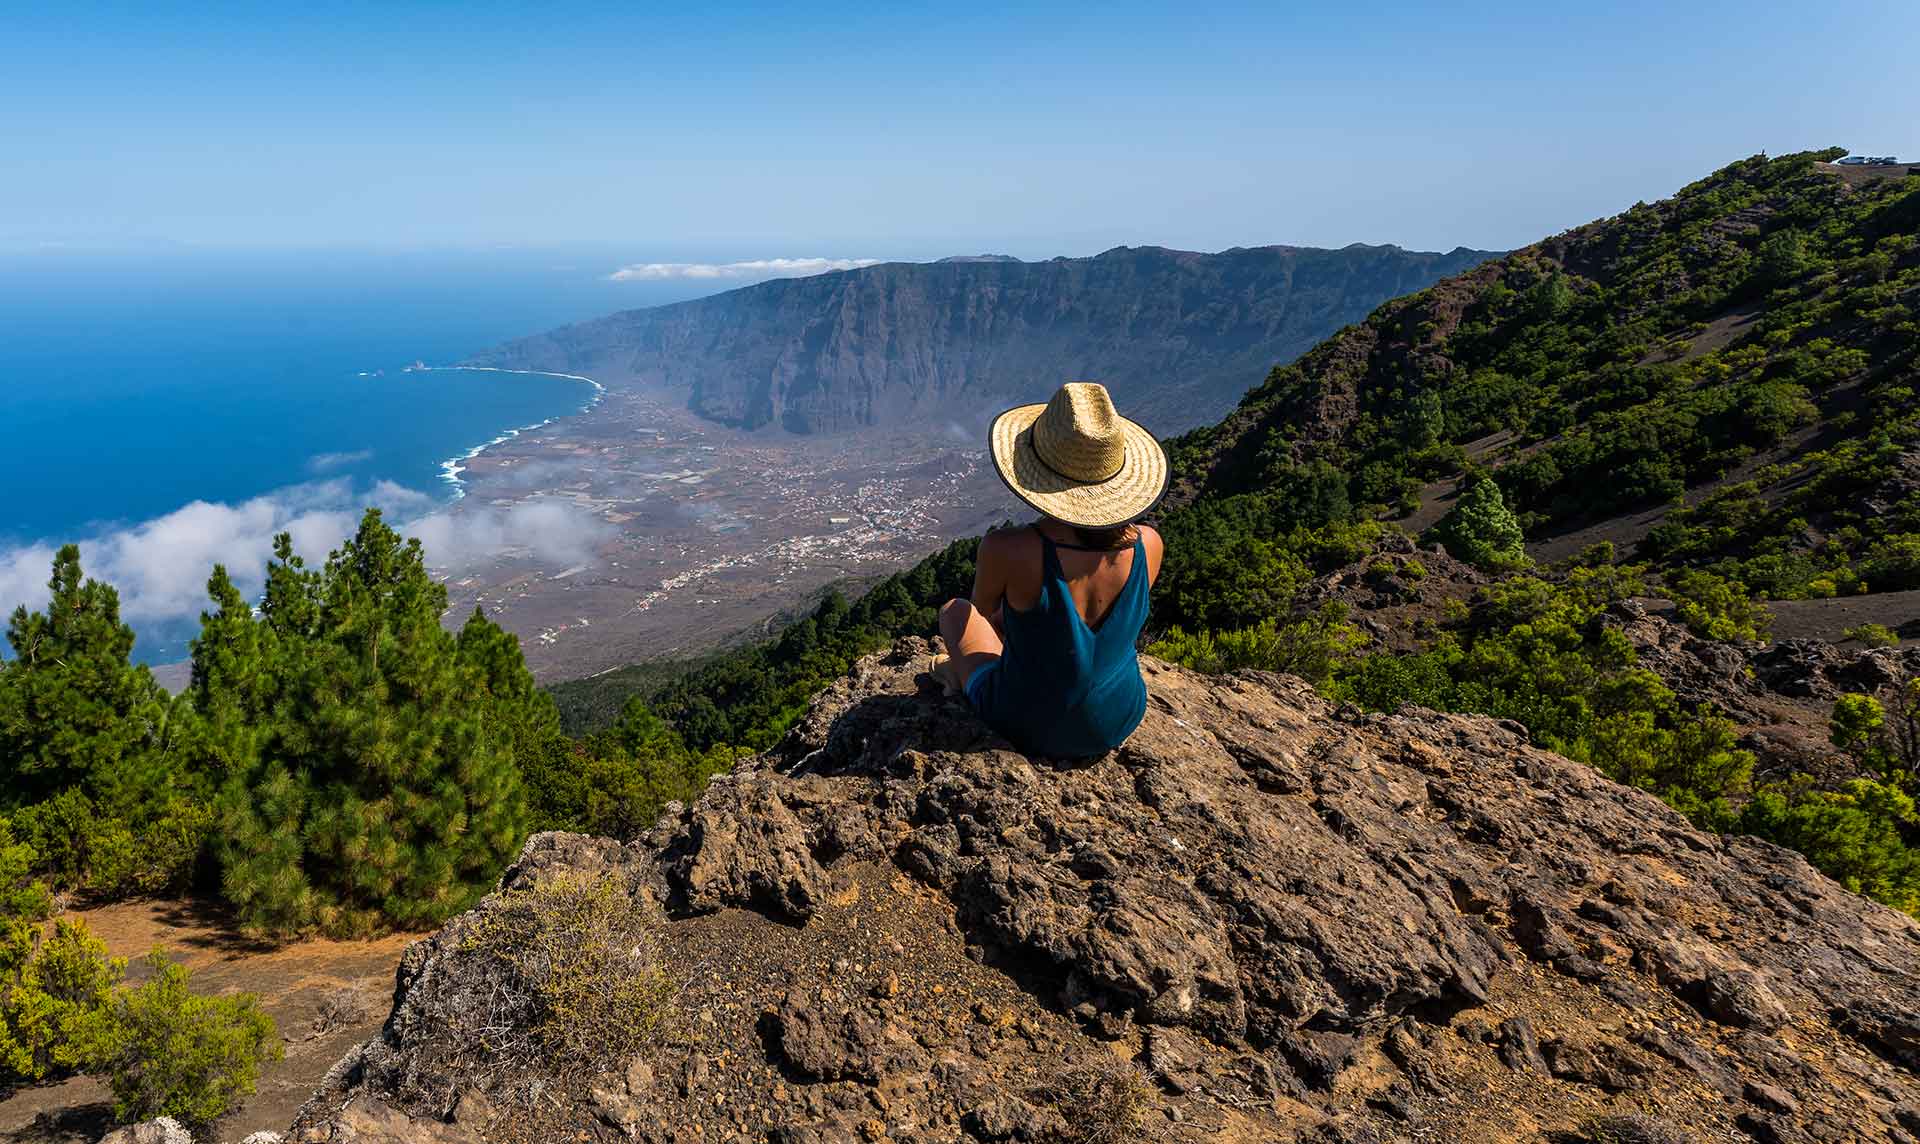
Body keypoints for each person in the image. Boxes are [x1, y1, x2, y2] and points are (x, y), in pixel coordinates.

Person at [937, 381, 1168, 757]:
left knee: (955, 612)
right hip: (1118, 716)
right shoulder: (1148, 544)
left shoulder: (1008, 548)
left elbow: (983, 612)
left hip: (1026, 722)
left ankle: (960, 675)